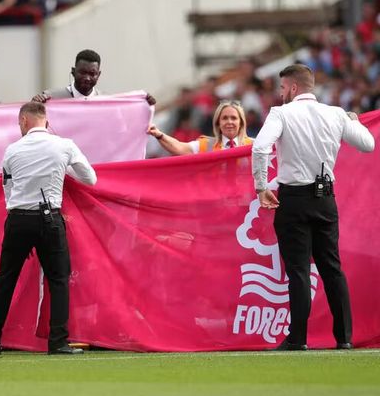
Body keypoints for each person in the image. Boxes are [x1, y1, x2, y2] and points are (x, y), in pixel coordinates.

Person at [252, 64, 375, 351]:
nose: (281, 93)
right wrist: (352, 121)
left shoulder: (281, 113)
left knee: (298, 271)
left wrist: (260, 187)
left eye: (283, 88)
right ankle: (344, 337)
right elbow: (368, 144)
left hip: (293, 199)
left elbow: (260, 148)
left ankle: (298, 339)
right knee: (332, 268)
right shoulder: (335, 114)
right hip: (325, 199)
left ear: (293, 88)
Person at [0, 101, 97, 355]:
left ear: (24, 121)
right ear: (45, 120)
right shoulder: (64, 145)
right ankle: (57, 341)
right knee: (58, 280)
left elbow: (8, 189)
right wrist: (62, 167)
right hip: (50, 217)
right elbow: (90, 178)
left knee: (6, 278)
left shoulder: (12, 150)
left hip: (18, 218)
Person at [32, 49, 156, 104]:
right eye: (82, 72)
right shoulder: (51, 97)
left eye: (92, 74)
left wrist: (143, 103)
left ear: (98, 75)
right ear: (73, 72)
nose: (87, 78)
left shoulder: (108, 100)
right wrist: (35, 104)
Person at [147, 100, 252, 155]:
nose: (229, 122)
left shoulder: (254, 145)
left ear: (241, 122)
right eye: (224, 118)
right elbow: (179, 147)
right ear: (218, 123)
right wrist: (160, 135)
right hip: (218, 195)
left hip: (248, 196)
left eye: (234, 118)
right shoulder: (207, 145)